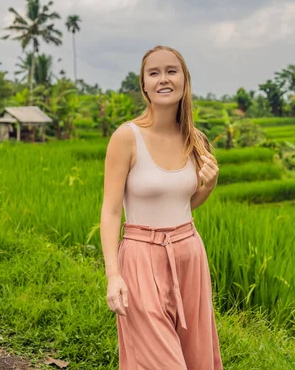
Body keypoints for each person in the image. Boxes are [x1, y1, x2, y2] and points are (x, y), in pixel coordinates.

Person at [100, 45, 224, 369]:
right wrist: (113, 275)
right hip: (141, 260)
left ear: (185, 80)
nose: (163, 79)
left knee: (196, 360)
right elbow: (111, 211)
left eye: (171, 71)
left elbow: (184, 204)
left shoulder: (195, 140)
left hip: (189, 256)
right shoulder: (126, 137)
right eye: (153, 73)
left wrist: (208, 186)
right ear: (144, 85)